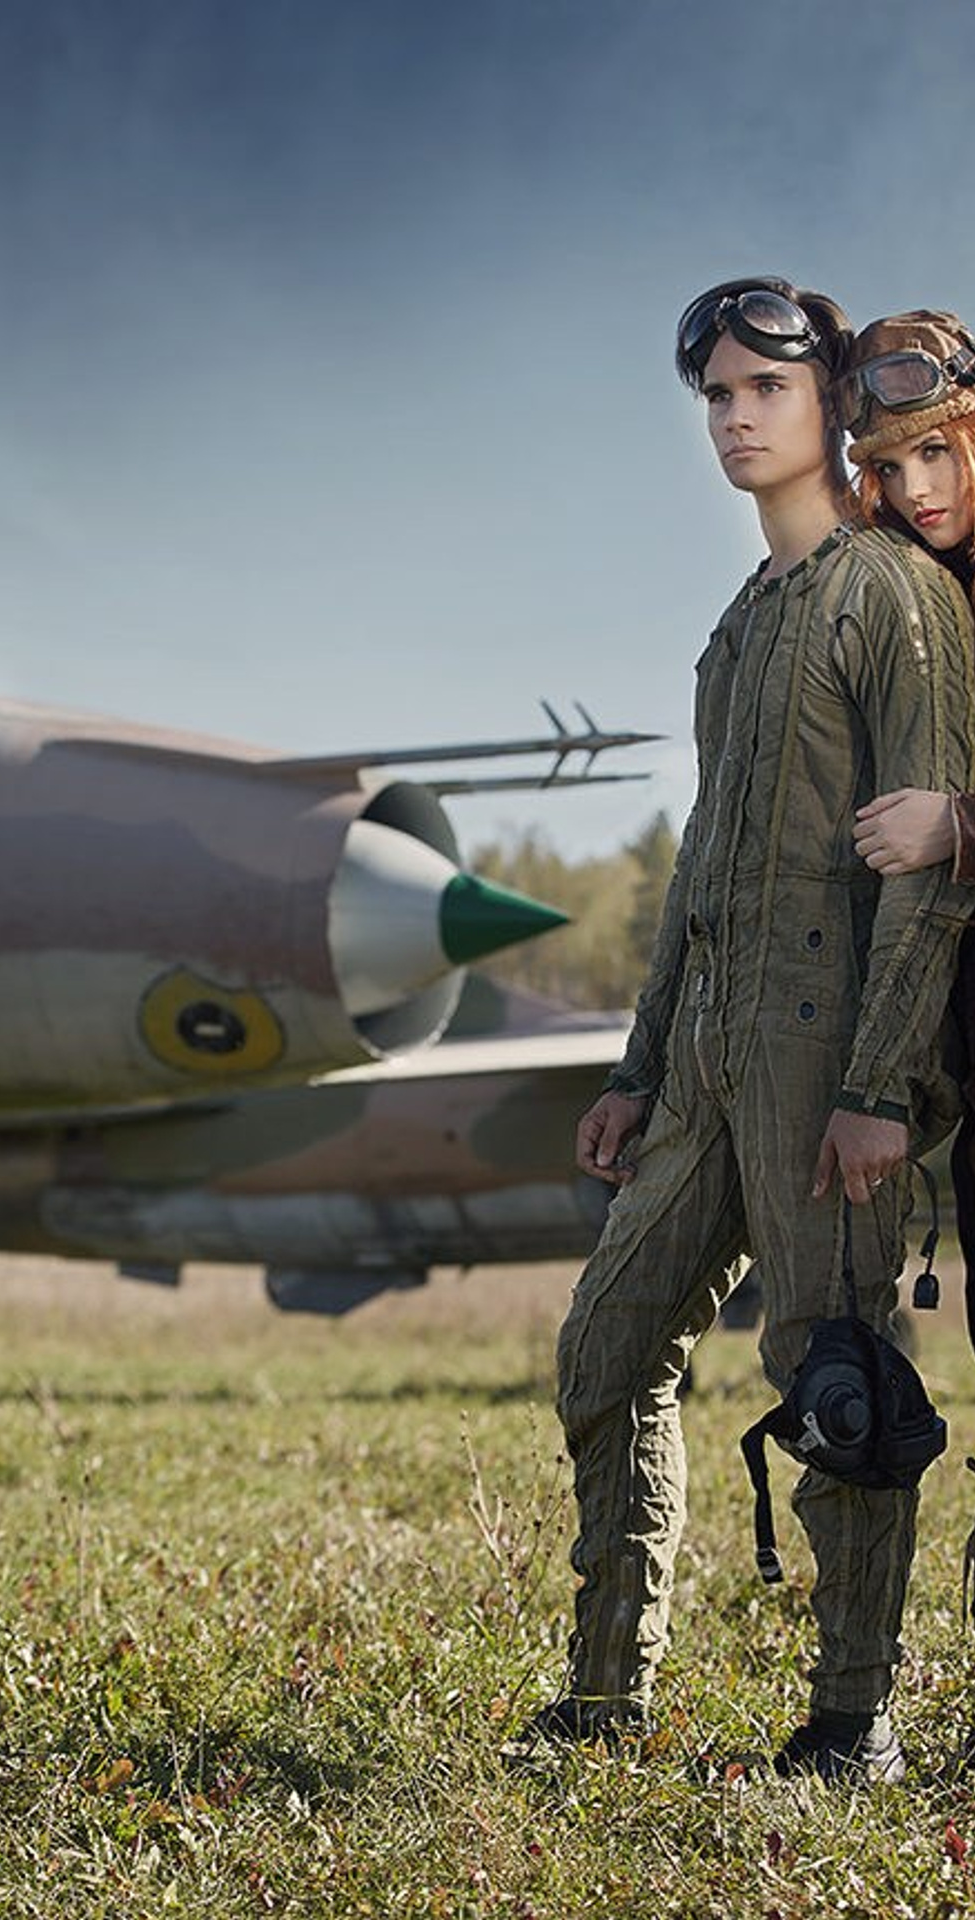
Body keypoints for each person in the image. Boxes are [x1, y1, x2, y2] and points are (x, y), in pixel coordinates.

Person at [508, 279, 975, 1782]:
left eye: (760, 390)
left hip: (832, 1059)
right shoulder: (739, 630)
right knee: (606, 1345)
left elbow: (930, 881)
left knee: (833, 1375)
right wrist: (641, 1068)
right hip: (708, 1061)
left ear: (828, 401)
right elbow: (705, 862)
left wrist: (882, 1086)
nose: (731, 418)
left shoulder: (898, 597)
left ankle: (856, 1717)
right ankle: (602, 1696)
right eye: (711, 395)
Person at [841, 312, 975, 1335]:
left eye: (933, 450)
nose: (915, 488)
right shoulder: (912, 599)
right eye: (887, 466)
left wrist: (957, 826)